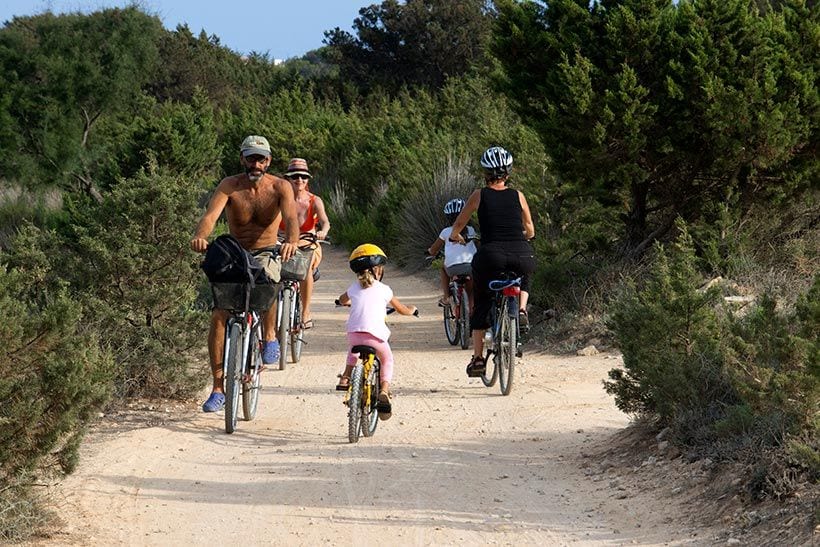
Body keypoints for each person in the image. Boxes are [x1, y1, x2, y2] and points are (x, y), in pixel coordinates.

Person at [191, 135, 299, 412]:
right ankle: (218, 388)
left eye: (261, 159)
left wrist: (291, 241)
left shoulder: (280, 186)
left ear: (269, 161)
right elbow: (210, 216)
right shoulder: (230, 185)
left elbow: (290, 219)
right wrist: (201, 236)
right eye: (251, 158)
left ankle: (271, 335)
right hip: (235, 252)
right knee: (219, 313)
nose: (256, 163)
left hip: (264, 251)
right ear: (242, 158)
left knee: (268, 280)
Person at [449, 146, 536, 377]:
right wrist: (524, 237)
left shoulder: (479, 195)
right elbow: (530, 229)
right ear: (508, 173)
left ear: (485, 173)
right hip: (520, 253)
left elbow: (458, 226)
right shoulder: (519, 195)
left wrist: (456, 236)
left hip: (490, 256)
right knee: (525, 271)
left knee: (482, 301)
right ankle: (522, 308)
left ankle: (478, 359)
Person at [335, 244, 417, 421]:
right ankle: (385, 390)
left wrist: (343, 302)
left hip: (354, 333)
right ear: (378, 269)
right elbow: (402, 309)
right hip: (376, 336)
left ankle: (346, 377)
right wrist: (412, 309)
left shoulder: (353, 287)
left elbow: (342, 300)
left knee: (353, 349)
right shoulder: (385, 289)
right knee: (387, 358)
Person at [278, 158, 330, 329]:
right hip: (283, 241)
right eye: (295, 176)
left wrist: (323, 232)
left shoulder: (315, 201)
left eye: (303, 176)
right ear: (288, 178)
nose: (299, 180)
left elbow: (325, 222)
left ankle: (306, 311)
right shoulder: (280, 200)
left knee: (305, 267)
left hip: (307, 242)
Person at [426, 198, 477, 309]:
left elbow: (434, 249)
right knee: (471, 292)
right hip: (471, 267)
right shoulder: (471, 230)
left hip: (453, 268)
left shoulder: (445, 232)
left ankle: (446, 298)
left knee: (443, 267)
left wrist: (430, 251)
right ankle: (472, 311)